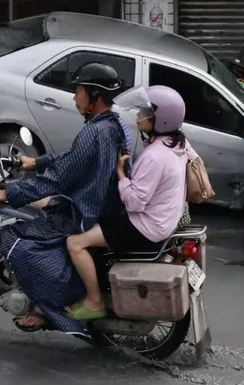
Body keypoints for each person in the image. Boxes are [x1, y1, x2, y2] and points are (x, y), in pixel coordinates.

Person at [0, 62, 131, 334]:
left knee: (19, 242)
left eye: (79, 91)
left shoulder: (93, 132)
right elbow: (73, 161)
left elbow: (59, 178)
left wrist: (6, 193)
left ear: (94, 96)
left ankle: (47, 309)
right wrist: (37, 163)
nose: (75, 97)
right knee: (37, 208)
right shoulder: (113, 126)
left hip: (83, 213)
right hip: (101, 205)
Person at [64, 85, 195, 321]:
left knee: (75, 242)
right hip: (165, 220)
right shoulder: (180, 145)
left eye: (145, 112)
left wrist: (121, 174)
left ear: (161, 120)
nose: (138, 116)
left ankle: (94, 301)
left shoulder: (155, 155)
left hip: (145, 228)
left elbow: (135, 203)